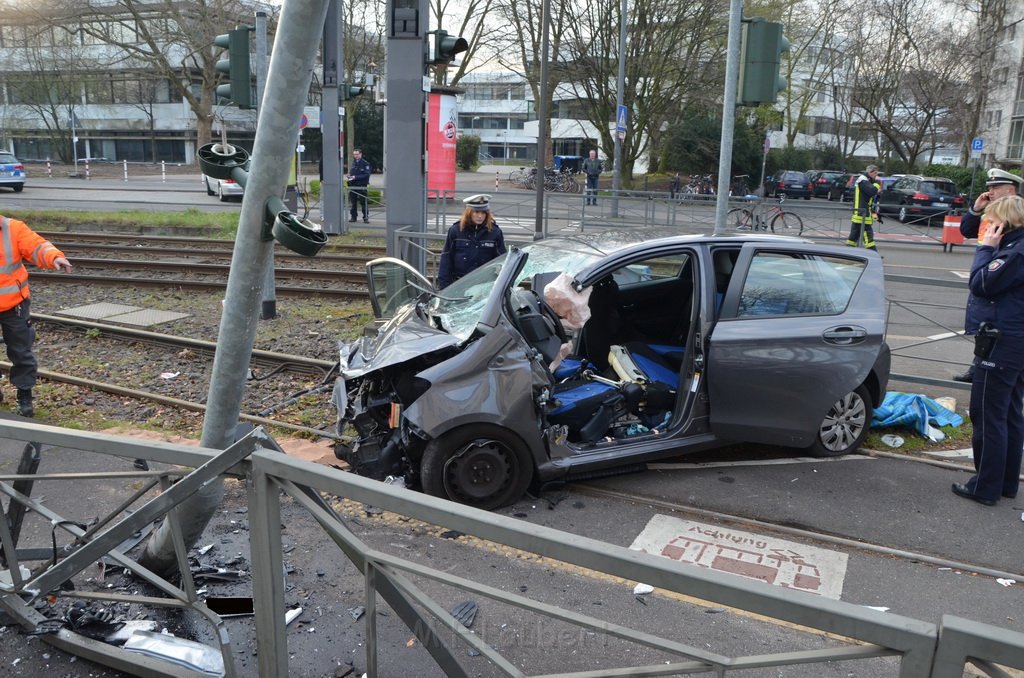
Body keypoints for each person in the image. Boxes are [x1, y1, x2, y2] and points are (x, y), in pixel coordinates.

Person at [951, 194, 1024, 506]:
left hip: (1003, 342)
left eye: (992, 223)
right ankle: (1005, 483)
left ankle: (985, 486)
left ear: (1004, 224)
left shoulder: (1013, 253)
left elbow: (981, 284)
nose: (987, 228)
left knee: (987, 414)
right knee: (1009, 413)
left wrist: (985, 250)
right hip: (1016, 341)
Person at [952, 168, 1023, 382]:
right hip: (988, 267)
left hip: (997, 274)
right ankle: (978, 366)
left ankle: (983, 368)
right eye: (989, 187)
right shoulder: (993, 211)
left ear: (1010, 190)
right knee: (983, 324)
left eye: (995, 187)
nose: (990, 191)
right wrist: (975, 209)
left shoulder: (1015, 215)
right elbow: (966, 230)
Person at [0, 215, 72, 417]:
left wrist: (54, 257)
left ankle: (24, 395)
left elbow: (37, 246)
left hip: (15, 305)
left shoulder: (12, 228)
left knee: (21, 352)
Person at [437, 194, 506, 289]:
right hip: (459, 284)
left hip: (484, 287)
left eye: (483, 213)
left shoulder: (495, 232)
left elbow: (502, 261)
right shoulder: (456, 230)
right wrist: (443, 287)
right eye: (476, 212)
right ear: (469, 212)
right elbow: (446, 259)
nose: (480, 216)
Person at [846, 164, 881, 250]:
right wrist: (877, 183)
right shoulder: (863, 180)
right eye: (875, 173)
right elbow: (872, 191)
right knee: (868, 234)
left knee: (854, 235)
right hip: (863, 212)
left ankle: (848, 251)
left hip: (860, 211)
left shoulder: (864, 180)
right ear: (870, 172)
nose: (876, 175)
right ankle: (873, 253)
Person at [345, 148, 372, 224]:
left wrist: (355, 177)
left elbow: (366, 175)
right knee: (353, 203)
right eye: (354, 154)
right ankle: (353, 217)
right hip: (353, 185)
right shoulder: (354, 163)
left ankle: (365, 217)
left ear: (360, 154)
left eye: (357, 154)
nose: (355, 156)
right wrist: (349, 175)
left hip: (361, 185)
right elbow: (353, 172)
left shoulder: (365, 163)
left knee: (363, 202)